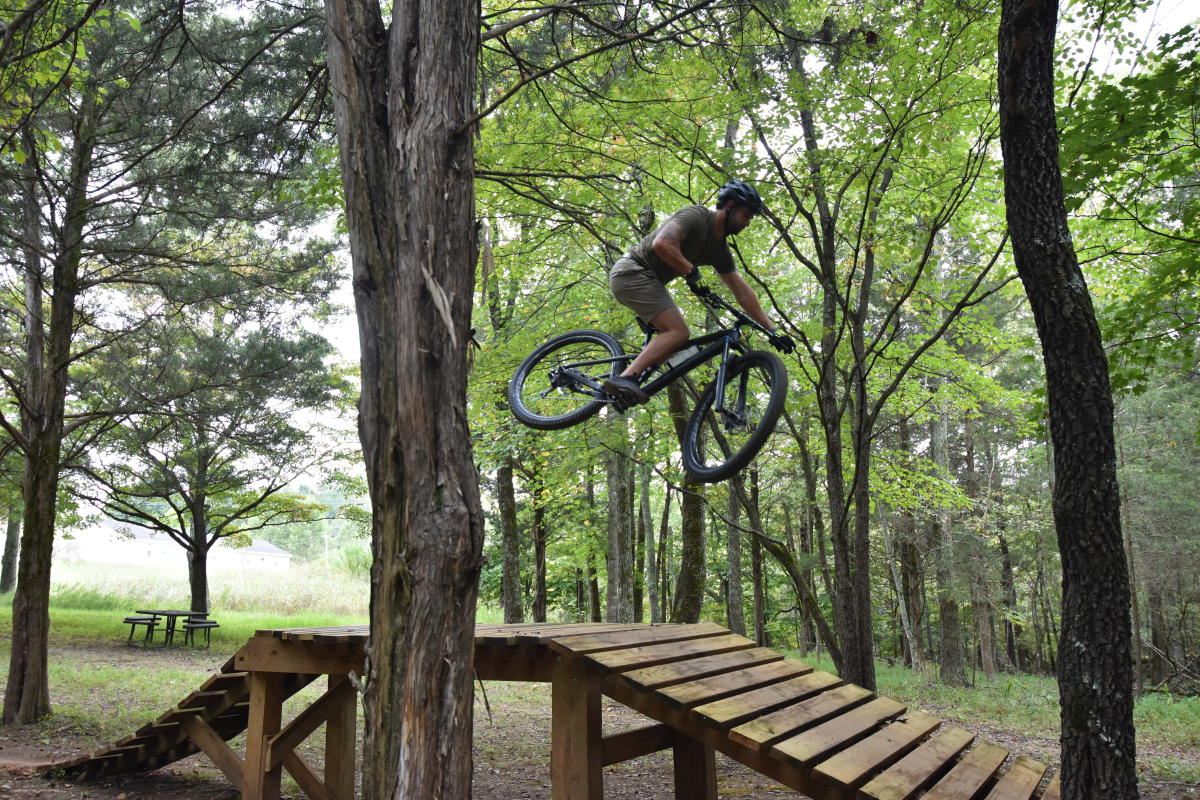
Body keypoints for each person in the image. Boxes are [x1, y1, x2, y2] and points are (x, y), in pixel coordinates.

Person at [604, 179, 793, 404]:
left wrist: (771, 331)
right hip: (633, 271)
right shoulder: (696, 216)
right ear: (730, 206)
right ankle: (626, 378)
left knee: (674, 345)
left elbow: (743, 293)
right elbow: (662, 244)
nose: (747, 223)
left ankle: (616, 392)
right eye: (746, 215)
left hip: (646, 281)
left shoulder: (720, 251)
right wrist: (690, 272)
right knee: (679, 332)